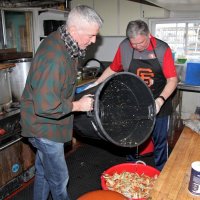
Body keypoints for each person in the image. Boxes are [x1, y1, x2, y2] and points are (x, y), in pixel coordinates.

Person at [20, 5, 103, 200]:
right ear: (74, 30)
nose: (94, 41)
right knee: (59, 178)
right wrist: (78, 105)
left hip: (47, 124)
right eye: (91, 35)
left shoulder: (64, 42)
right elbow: (46, 106)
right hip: (44, 128)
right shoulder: (54, 57)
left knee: (43, 172)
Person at [88, 20, 178, 171]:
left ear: (149, 35)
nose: (137, 47)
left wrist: (160, 101)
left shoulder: (162, 49)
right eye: (133, 44)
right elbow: (113, 68)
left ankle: (162, 171)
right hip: (135, 102)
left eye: (141, 43)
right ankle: (132, 170)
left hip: (159, 101)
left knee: (160, 140)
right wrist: (96, 84)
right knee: (131, 137)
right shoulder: (124, 47)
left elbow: (172, 80)